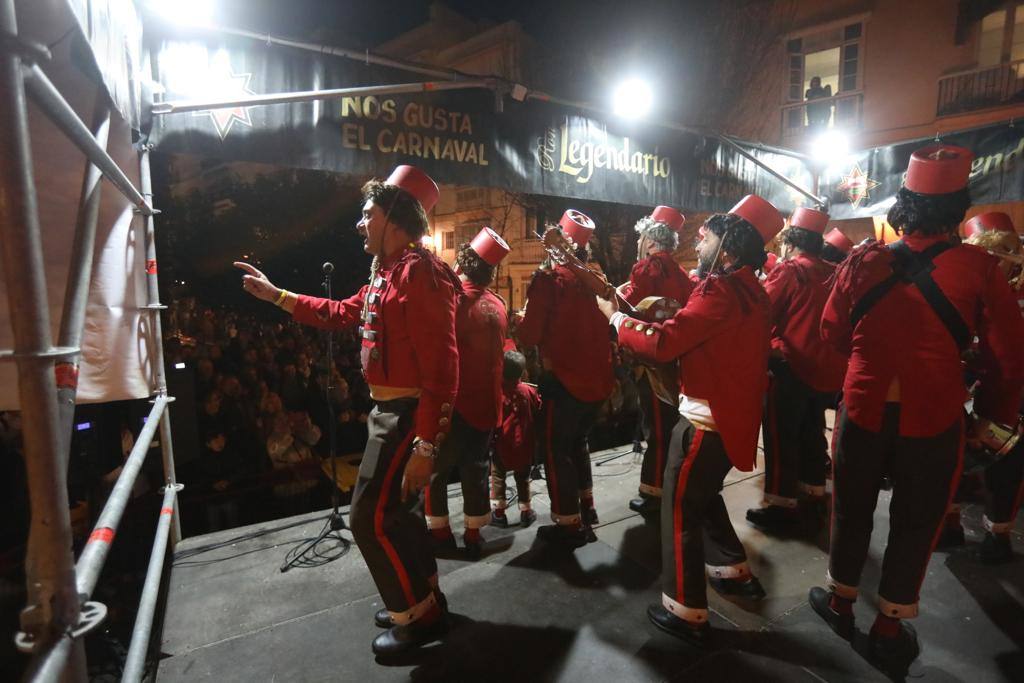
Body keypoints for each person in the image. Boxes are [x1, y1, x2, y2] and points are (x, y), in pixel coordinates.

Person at [808, 146, 1024, 675]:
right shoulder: (980, 268)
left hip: (862, 409)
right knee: (917, 520)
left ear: (905, 203)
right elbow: (1009, 360)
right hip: (934, 417)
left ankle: (839, 601)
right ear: (956, 208)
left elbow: (831, 333)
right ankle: (887, 625)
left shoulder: (862, 259)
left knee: (852, 508)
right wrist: (989, 420)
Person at [236, 165, 460, 656]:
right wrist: (276, 295)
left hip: (406, 414)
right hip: (392, 412)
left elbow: (443, 369)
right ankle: (422, 598)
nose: (359, 223)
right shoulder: (391, 272)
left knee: (367, 518)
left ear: (394, 218)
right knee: (397, 514)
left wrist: (426, 445)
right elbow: (341, 313)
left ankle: (417, 619)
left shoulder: (421, 273)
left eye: (367, 214)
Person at [598, 194, 784, 645]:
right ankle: (732, 569)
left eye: (709, 238)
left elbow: (666, 343)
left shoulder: (721, 291)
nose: (699, 243)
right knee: (702, 495)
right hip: (726, 417)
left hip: (705, 423)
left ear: (731, 250)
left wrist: (617, 320)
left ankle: (687, 611)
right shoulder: (748, 289)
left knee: (679, 511)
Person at [516, 210, 615, 549]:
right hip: (599, 380)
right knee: (579, 443)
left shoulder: (549, 280)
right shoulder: (598, 279)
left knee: (557, 449)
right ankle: (587, 507)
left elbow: (529, 335)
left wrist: (520, 320)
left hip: (564, 380)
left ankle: (567, 522)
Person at [747, 207, 846, 534]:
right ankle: (813, 493)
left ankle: (780, 505)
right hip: (827, 371)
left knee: (780, 436)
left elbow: (763, 315)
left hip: (790, 366)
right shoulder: (833, 270)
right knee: (812, 431)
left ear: (791, 244)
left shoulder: (790, 272)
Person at [940, 212, 1024, 563]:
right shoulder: (977, 294)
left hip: (1013, 398)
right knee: (954, 459)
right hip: (977, 391)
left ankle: (997, 534)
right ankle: (951, 523)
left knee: (1008, 469)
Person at [425, 227, 510, 560]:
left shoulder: (452, 300)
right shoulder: (499, 305)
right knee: (475, 470)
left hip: (455, 402)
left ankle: (440, 532)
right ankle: (474, 534)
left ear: (462, 264)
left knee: (437, 469)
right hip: (486, 403)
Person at [618, 206, 693, 516]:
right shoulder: (681, 274)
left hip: (649, 358)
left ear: (650, 240)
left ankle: (656, 493)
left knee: (657, 428)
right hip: (674, 358)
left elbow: (631, 305)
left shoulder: (647, 268)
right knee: (667, 422)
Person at [491, 350, 541, 528]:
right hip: (525, 445)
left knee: (498, 477)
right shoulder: (528, 391)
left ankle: (498, 514)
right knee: (523, 478)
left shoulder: (496, 392)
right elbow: (538, 407)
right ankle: (526, 512)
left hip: (502, 444)